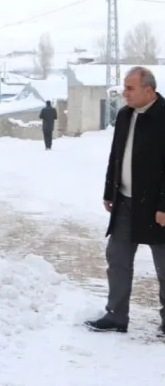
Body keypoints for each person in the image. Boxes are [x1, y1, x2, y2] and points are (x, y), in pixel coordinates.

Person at [85, 66, 165, 335]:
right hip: (125, 202)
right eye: (124, 88)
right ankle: (116, 316)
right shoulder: (124, 115)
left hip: (156, 207)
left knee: (164, 266)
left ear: (149, 90)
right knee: (117, 260)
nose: (124, 93)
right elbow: (116, 156)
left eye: (130, 88)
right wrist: (110, 191)